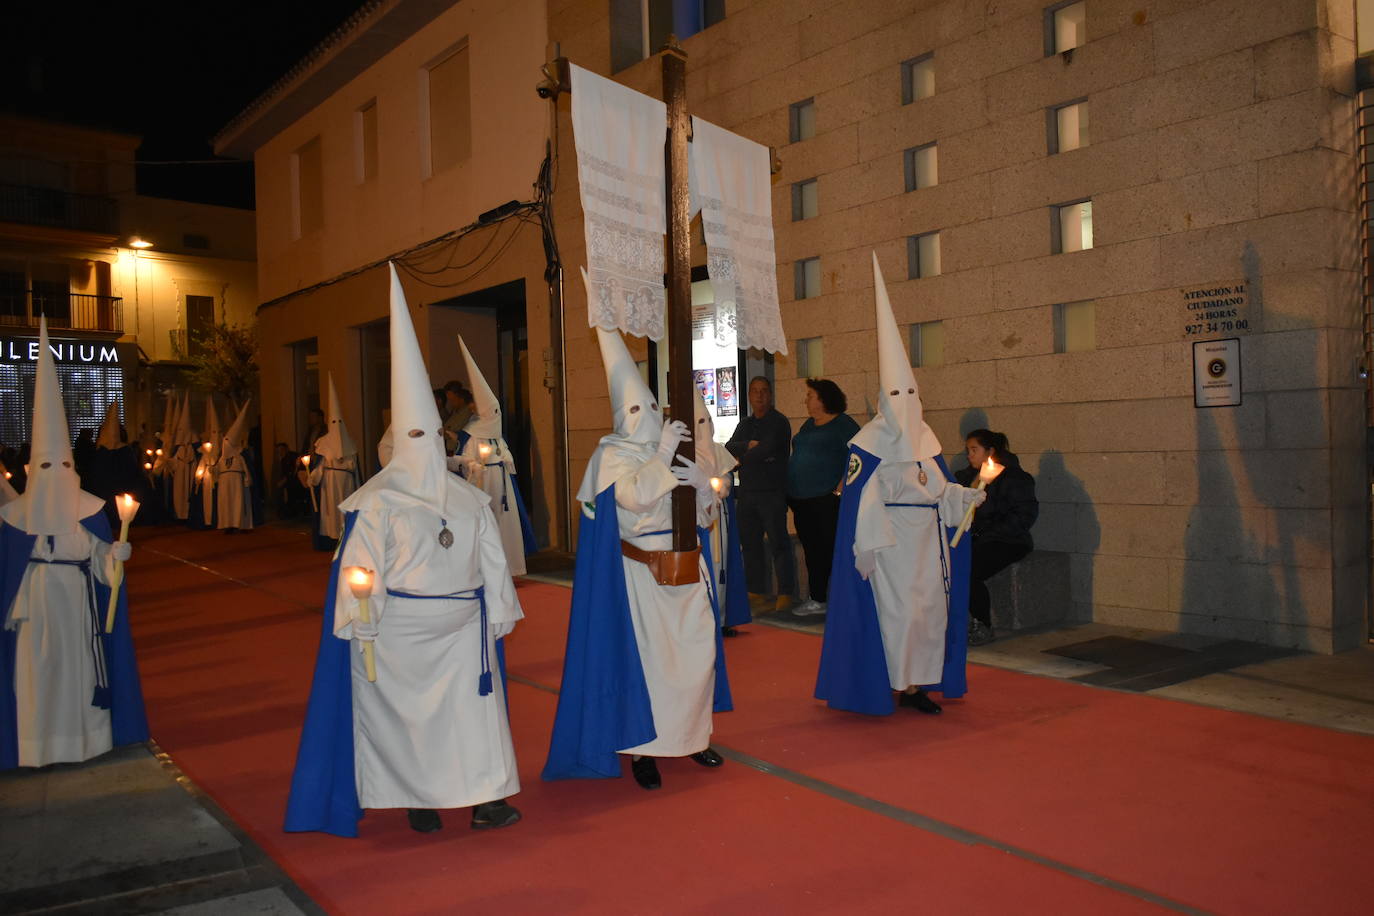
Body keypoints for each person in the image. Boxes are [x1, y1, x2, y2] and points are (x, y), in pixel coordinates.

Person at [285, 263, 522, 837]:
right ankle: (420, 796)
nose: (421, 447)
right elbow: (360, 569)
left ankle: (486, 797)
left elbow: (491, 562)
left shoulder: (466, 501)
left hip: (465, 628)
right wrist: (359, 618)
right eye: (411, 437)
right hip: (401, 630)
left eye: (428, 436)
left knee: (473, 718)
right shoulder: (378, 503)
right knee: (410, 719)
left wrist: (501, 611)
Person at [544, 292, 727, 791]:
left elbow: (706, 515)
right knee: (650, 665)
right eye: (635, 408)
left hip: (687, 567)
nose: (645, 415)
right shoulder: (611, 457)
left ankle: (693, 736)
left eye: (649, 405)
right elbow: (635, 500)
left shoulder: (675, 450)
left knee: (695, 656)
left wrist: (701, 487)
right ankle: (645, 750)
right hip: (641, 575)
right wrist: (664, 454)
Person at [816, 253, 984, 717]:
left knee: (927, 617)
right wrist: (866, 545)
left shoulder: (927, 440)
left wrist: (961, 496)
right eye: (896, 395)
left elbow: (937, 491)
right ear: (880, 402)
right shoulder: (867, 445)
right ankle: (889, 680)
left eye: (911, 393)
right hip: (890, 549)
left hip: (929, 550)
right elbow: (862, 499)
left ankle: (916, 687)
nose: (905, 402)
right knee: (897, 618)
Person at [0, 317, 146, 769]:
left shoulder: (87, 511)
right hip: (34, 609)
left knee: (78, 674)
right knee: (36, 673)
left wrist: (113, 554)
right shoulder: (12, 518)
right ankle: (34, 745)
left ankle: (83, 742)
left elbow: (99, 559)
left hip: (77, 605)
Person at [454, 336, 537, 575]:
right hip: (482, 483)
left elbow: (507, 458)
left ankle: (511, 567)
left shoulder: (497, 435)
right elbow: (464, 461)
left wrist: (505, 460)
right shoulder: (471, 435)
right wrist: (476, 464)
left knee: (507, 527)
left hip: (503, 486)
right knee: (486, 524)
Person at [955, 429, 1038, 646]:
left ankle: (982, 624)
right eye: (968, 450)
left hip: (1007, 540)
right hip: (973, 538)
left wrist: (985, 532)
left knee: (969, 569)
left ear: (990, 451)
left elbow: (1023, 515)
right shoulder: (964, 477)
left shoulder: (1014, 479)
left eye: (974, 450)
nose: (969, 455)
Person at [787, 379, 860, 617]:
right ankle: (817, 597)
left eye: (810, 395)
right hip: (802, 500)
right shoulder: (809, 425)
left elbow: (857, 459)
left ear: (824, 398)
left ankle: (839, 599)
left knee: (830, 550)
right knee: (812, 550)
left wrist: (839, 490)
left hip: (826, 501)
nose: (806, 400)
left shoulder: (843, 425)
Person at [724, 376, 795, 614]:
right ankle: (756, 591)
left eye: (764, 391)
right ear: (749, 395)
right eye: (755, 391)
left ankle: (786, 592)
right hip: (747, 493)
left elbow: (769, 447)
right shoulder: (745, 424)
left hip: (772, 493)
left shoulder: (779, 422)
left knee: (779, 544)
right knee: (751, 545)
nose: (759, 396)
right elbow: (729, 446)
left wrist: (742, 458)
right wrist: (747, 446)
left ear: (770, 394)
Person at [693, 387, 750, 638]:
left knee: (722, 569)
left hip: (720, 522)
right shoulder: (685, 452)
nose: (706, 427)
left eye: (708, 421)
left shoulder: (717, 450)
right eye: (700, 422)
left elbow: (727, 474)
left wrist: (723, 485)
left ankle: (723, 617)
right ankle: (703, 619)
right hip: (699, 520)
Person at [307, 374, 360, 551]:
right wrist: (313, 477)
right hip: (329, 486)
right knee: (331, 513)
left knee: (343, 511)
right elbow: (320, 467)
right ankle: (331, 540)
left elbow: (355, 470)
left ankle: (346, 539)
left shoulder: (350, 446)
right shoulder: (324, 445)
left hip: (346, 485)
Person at [216, 401, 254, 533]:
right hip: (224, 483)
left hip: (236, 482)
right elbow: (216, 470)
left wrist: (247, 478)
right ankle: (227, 524)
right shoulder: (221, 459)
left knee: (237, 502)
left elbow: (245, 469)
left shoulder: (239, 457)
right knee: (225, 503)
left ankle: (238, 523)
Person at [442, 382, 473, 455]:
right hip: (450, 449)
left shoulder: (467, 412)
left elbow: (453, 430)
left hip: (458, 450)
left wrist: (444, 431)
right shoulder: (455, 412)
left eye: (452, 400)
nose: (450, 402)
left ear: (459, 397)